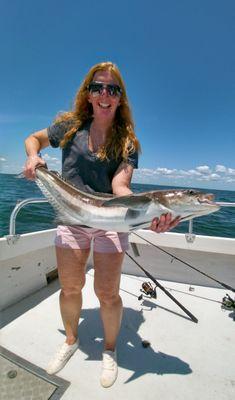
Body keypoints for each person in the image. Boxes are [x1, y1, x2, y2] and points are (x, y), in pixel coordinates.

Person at [24, 61, 180, 388]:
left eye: (113, 89)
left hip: (110, 219)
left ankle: (110, 350)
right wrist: (33, 158)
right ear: (89, 94)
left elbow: (121, 188)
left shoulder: (128, 142)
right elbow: (33, 140)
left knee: (107, 294)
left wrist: (148, 216)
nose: (105, 94)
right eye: (98, 88)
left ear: (120, 98)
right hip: (71, 215)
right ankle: (70, 340)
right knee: (70, 287)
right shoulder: (68, 126)